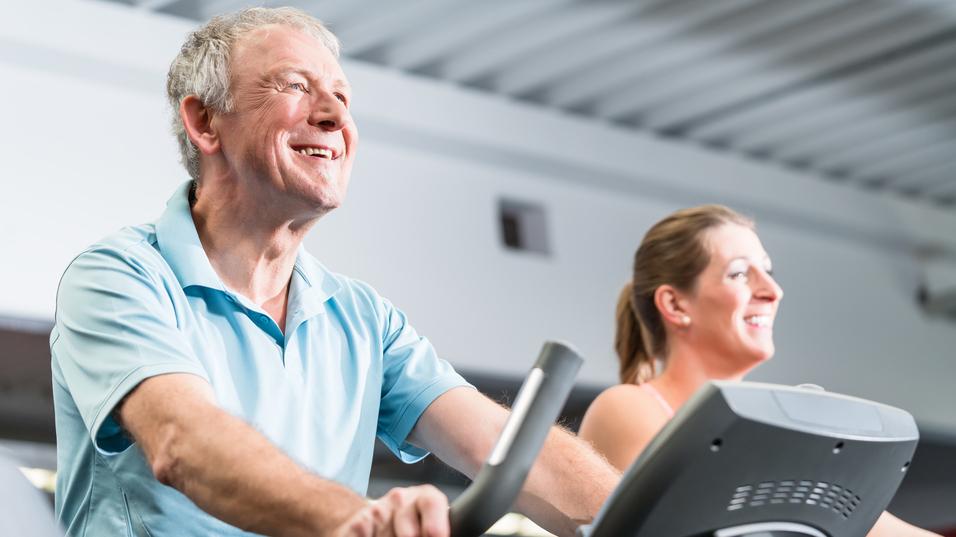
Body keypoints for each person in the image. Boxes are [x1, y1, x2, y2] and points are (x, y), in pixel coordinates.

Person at [50, 8, 619, 537]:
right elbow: (183, 440)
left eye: (342, 96)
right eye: (296, 86)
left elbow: (502, 446)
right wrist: (364, 521)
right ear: (205, 122)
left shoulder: (362, 317)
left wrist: (641, 515)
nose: (336, 116)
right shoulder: (118, 278)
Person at [578, 205, 939, 537]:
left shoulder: (765, 433)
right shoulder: (628, 407)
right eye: (739, 274)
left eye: (768, 271)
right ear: (675, 304)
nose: (773, 291)